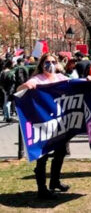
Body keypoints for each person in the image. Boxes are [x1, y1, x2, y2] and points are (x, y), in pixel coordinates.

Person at [16, 54, 70, 199]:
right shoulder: (37, 79)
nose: (51, 64)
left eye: (53, 62)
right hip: (42, 124)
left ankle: (55, 181)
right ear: (41, 64)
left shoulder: (60, 78)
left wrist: (88, 81)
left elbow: (75, 85)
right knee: (42, 156)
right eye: (47, 62)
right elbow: (18, 92)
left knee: (61, 152)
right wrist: (25, 86)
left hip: (60, 124)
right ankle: (42, 188)